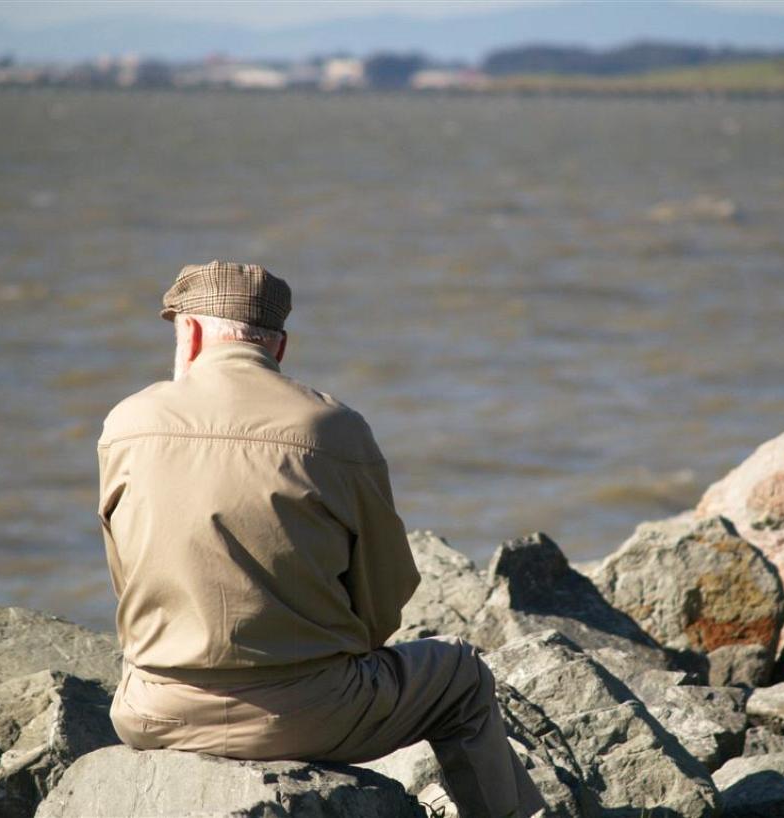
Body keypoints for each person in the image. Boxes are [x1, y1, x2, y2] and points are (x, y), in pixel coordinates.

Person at [97, 260, 545, 818]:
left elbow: (127, 576)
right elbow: (386, 595)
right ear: (278, 346)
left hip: (153, 712)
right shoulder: (331, 429)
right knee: (461, 677)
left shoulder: (127, 423)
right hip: (310, 716)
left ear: (188, 334)